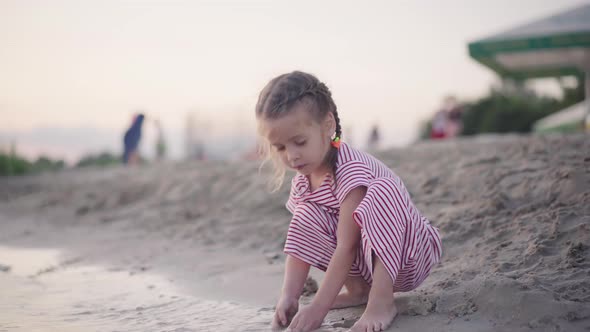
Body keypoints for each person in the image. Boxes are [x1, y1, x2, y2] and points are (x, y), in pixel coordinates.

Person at [255, 71, 442, 332]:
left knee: (380, 191)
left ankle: (381, 301)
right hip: (365, 264)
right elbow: (301, 243)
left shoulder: (352, 172)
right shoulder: (304, 182)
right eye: (281, 148)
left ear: (328, 125)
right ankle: (358, 291)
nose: (292, 156)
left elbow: (346, 246)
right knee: (306, 214)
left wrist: (318, 309)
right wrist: (289, 296)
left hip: (407, 256)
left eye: (299, 142)